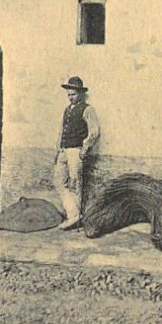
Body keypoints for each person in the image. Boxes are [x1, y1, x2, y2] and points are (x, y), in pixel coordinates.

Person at [53, 76, 100, 230]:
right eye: (69, 95)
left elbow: (94, 132)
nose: (70, 97)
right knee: (59, 182)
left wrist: (84, 150)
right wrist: (59, 148)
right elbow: (61, 130)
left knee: (75, 184)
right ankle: (73, 214)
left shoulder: (87, 109)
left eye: (73, 94)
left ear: (80, 94)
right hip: (64, 150)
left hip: (75, 151)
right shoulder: (67, 110)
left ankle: (74, 218)